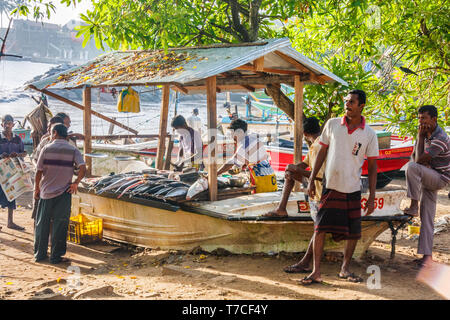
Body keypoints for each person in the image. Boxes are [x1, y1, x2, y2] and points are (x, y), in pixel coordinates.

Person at [301, 89, 379, 285]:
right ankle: (316, 271)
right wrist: (311, 179)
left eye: (352, 102)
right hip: (331, 185)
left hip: (353, 187)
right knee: (320, 228)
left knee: (353, 232)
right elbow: (321, 153)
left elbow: (372, 167)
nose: (347, 104)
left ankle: (345, 269)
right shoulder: (333, 124)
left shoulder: (369, 134)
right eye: (346, 101)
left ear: (361, 106)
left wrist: (371, 197)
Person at [261, 117, 326, 273]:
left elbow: (321, 176)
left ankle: (305, 263)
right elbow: (304, 165)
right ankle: (281, 208)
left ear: (304, 133)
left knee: (319, 230)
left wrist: (296, 170)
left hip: (321, 190)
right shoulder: (315, 146)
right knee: (290, 172)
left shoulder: (318, 146)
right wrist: (293, 169)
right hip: (316, 188)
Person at [403, 105, 449, 267]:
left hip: (440, 178)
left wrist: (420, 138)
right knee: (427, 218)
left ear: (434, 119)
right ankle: (427, 257)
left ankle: (414, 204)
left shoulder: (440, 137)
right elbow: (417, 157)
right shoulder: (425, 134)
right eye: (419, 118)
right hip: (429, 175)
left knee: (411, 168)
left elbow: (417, 162)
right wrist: (420, 137)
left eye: (424, 118)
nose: (420, 121)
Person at [34, 124, 86, 264]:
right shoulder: (72, 149)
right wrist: (76, 183)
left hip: (46, 193)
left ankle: (40, 255)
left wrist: (36, 189)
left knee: (42, 225)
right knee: (60, 225)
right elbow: (83, 167)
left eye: (51, 133)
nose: (50, 136)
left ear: (55, 133)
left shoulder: (46, 148)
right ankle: (56, 257)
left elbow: (38, 171)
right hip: (64, 192)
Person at [217, 119, 277, 193]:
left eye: (232, 133)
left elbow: (230, 163)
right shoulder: (252, 138)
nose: (232, 136)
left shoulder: (244, 144)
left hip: (263, 182)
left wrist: (215, 173)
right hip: (270, 179)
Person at [0, 115, 27, 231]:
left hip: (13, 173)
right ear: (2, 124)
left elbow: (24, 153)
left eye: (9, 123)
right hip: (1, 172)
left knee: (12, 194)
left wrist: (18, 155)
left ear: (13, 125)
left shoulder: (17, 138)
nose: (7, 125)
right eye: (5, 123)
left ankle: (10, 222)